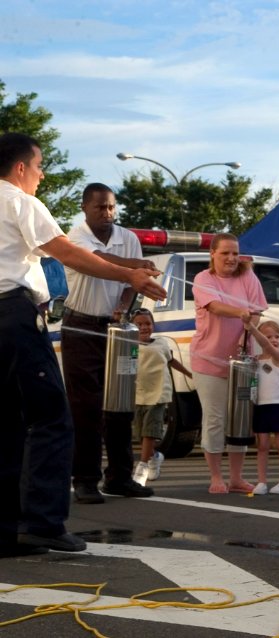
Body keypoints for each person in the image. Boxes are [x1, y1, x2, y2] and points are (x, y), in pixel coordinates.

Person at [1, 132, 165, 556]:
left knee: (10, 424)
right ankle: (41, 522)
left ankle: (10, 527)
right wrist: (129, 274)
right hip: (15, 317)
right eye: (38, 167)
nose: (40, 175)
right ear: (20, 168)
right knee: (53, 417)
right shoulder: (19, 201)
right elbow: (67, 253)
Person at [62, 183, 157, 504]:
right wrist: (135, 268)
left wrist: (125, 304)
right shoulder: (76, 237)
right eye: (100, 207)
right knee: (85, 406)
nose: (107, 213)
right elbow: (100, 260)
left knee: (120, 403)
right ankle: (85, 479)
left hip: (118, 328)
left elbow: (135, 284)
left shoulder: (128, 238)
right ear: (85, 207)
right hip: (81, 326)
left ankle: (119, 476)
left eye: (112, 207)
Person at [191, 232, 268, 495]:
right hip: (208, 360)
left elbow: (256, 312)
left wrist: (244, 337)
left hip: (242, 363)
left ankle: (236, 478)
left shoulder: (248, 276)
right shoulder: (204, 278)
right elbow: (214, 306)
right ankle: (216, 477)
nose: (231, 258)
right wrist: (240, 312)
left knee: (240, 419)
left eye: (235, 253)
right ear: (212, 254)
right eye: (225, 253)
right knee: (215, 419)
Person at [130, 308, 193, 485]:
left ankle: (141, 468)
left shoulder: (162, 344)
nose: (144, 327)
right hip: (139, 394)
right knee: (142, 435)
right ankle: (155, 456)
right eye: (139, 324)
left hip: (159, 393)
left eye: (147, 324)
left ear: (153, 325)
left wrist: (189, 374)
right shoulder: (130, 345)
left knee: (150, 432)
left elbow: (171, 361)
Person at [244, 319, 279, 495]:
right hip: (261, 406)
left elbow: (265, 344)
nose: (273, 340)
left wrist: (252, 329)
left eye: (277, 336)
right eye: (269, 336)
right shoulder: (256, 360)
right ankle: (262, 481)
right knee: (262, 445)